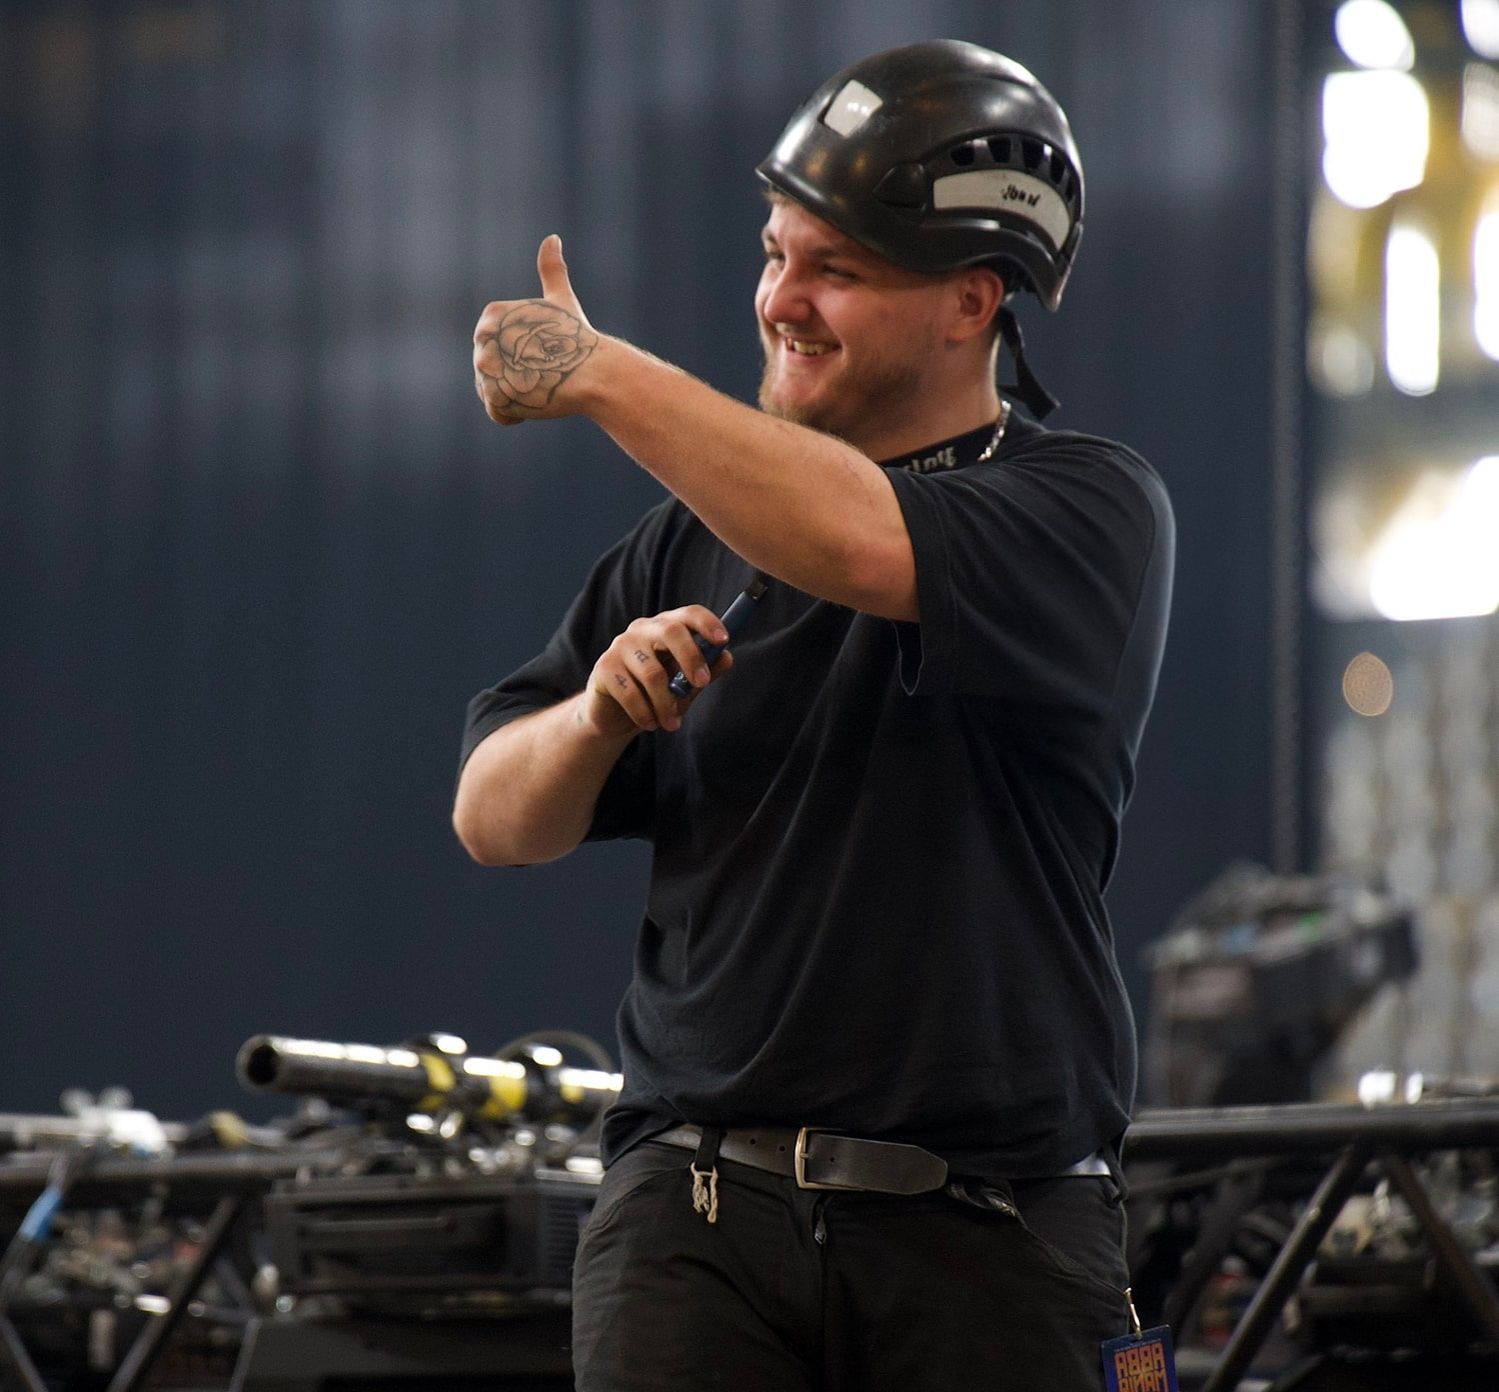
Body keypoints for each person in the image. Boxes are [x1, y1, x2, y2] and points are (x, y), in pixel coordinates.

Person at [454, 39, 1174, 1392]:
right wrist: (595, 716)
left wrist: (602, 374)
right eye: (773, 253)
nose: (782, 300)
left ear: (973, 302)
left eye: (834, 269)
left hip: (992, 1226)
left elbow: (862, 542)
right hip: (697, 1220)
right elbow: (493, 816)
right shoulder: (687, 540)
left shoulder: (1089, 506)